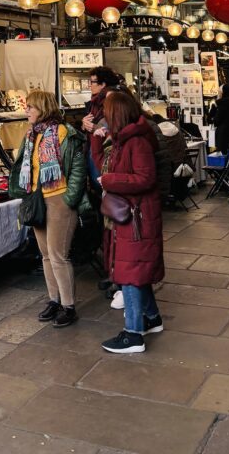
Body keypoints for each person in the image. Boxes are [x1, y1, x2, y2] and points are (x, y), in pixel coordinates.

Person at [9, 89, 88, 328]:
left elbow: (77, 168)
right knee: (44, 255)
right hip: (37, 199)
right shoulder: (31, 134)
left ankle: (68, 306)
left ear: (43, 108)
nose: (27, 111)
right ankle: (54, 300)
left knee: (58, 255)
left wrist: (69, 199)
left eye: (31, 107)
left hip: (59, 199)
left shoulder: (65, 133)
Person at [99, 90, 164, 354]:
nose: (103, 115)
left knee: (131, 274)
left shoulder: (135, 142)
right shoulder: (124, 140)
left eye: (107, 110)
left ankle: (133, 333)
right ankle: (152, 318)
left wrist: (109, 180)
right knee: (135, 270)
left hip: (137, 217)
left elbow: (145, 178)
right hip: (134, 215)